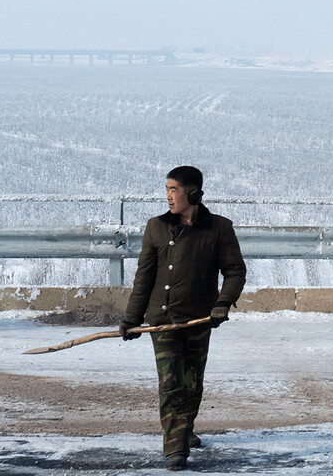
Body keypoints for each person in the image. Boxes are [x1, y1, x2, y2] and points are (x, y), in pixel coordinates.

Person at [120, 166, 246, 470]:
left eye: (174, 190)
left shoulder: (219, 229)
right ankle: (175, 446)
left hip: (200, 319)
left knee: (192, 382)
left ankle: (184, 428)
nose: (168, 196)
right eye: (166, 189)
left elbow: (235, 271)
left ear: (194, 194)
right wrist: (131, 319)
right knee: (171, 382)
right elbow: (143, 279)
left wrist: (222, 304)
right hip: (161, 321)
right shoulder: (155, 228)